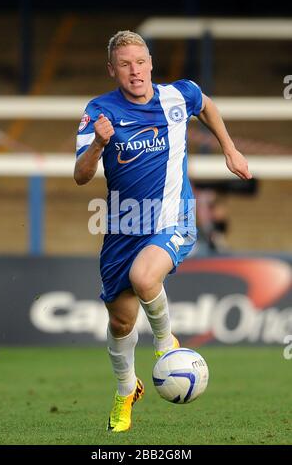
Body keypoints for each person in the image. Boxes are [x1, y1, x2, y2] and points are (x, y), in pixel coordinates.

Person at [74, 30, 252, 433]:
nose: (135, 71)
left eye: (140, 62)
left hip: (175, 218)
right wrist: (98, 146)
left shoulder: (178, 95)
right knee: (120, 323)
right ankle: (125, 391)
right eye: (125, 64)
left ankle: (166, 343)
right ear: (112, 70)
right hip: (123, 227)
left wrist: (229, 148)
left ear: (151, 62)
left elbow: (205, 106)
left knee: (144, 277)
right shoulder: (98, 111)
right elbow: (81, 177)